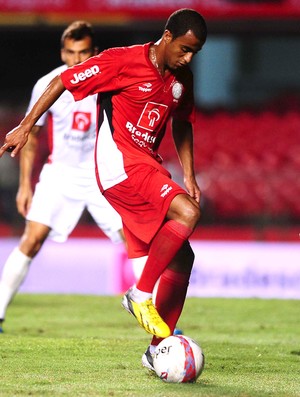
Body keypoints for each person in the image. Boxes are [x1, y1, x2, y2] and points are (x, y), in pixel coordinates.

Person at [0, 9, 207, 371]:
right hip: (116, 166)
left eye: (195, 52)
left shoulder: (181, 79)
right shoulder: (122, 61)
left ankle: (157, 346)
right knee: (187, 213)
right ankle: (140, 294)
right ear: (168, 36)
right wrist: (24, 125)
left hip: (146, 164)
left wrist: (189, 176)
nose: (188, 58)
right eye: (185, 49)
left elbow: (183, 123)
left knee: (182, 257)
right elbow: (63, 81)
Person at [0, 21, 127, 333]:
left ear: (94, 52)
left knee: (133, 240)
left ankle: (160, 322)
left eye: (83, 52)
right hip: (61, 176)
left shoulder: (107, 83)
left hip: (101, 177)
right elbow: (30, 138)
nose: (77, 60)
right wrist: (24, 186)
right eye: (70, 53)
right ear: (62, 52)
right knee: (31, 239)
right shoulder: (48, 84)